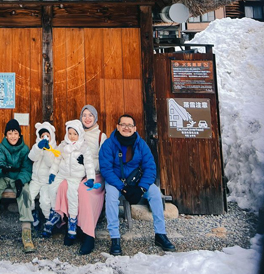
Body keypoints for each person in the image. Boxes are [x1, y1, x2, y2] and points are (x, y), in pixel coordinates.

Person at [99, 113, 176, 255]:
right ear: (117, 127)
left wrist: (141, 188)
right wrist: (122, 188)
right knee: (111, 196)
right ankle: (115, 238)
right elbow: (106, 169)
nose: (126, 128)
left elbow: (150, 167)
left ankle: (160, 234)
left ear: (134, 128)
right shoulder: (109, 144)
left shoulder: (141, 144)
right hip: (116, 182)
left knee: (154, 192)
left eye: (129, 125)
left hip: (137, 182)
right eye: (123, 125)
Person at [54, 104, 107, 254]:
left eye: (91, 115)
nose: (87, 118)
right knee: (63, 185)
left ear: (95, 117)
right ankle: (71, 226)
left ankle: (88, 234)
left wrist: (87, 165)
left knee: (83, 190)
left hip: (94, 175)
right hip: (75, 175)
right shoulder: (74, 133)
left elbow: (104, 161)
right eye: (84, 115)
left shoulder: (100, 136)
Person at [0, 119, 35, 254]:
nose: (13, 136)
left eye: (15, 133)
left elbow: (27, 169)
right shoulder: (1, 147)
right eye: (10, 133)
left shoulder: (24, 149)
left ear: (19, 135)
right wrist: (3, 169)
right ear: (6, 135)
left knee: (24, 192)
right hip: (3, 177)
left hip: (17, 177)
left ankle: (26, 233)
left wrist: (20, 180)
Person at [43, 119, 95, 240]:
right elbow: (57, 160)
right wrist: (52, 173)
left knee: (72, 194)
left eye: (75, 134)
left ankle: (72, 219)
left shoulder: (83, 148)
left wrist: (91, 177)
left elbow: (89, 164)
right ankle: (55, 212)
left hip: (75, 176)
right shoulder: (63, 145)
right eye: (70, 133)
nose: (72, 137)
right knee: (52, 187)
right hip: (62, 173)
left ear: (80, 134)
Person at [28, 122, 58, 226]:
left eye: (47, 136)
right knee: (29, 196)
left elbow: (51, 163)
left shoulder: (54, 149)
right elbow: (32, 157)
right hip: (36, 180)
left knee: (45, 200)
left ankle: (47, 218)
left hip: (46, 181)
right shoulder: (36, 146)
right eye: (42, 136)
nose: (45, 138)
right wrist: (38, 147)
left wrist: (47, 150)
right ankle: (32, 213)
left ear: (51, 136)